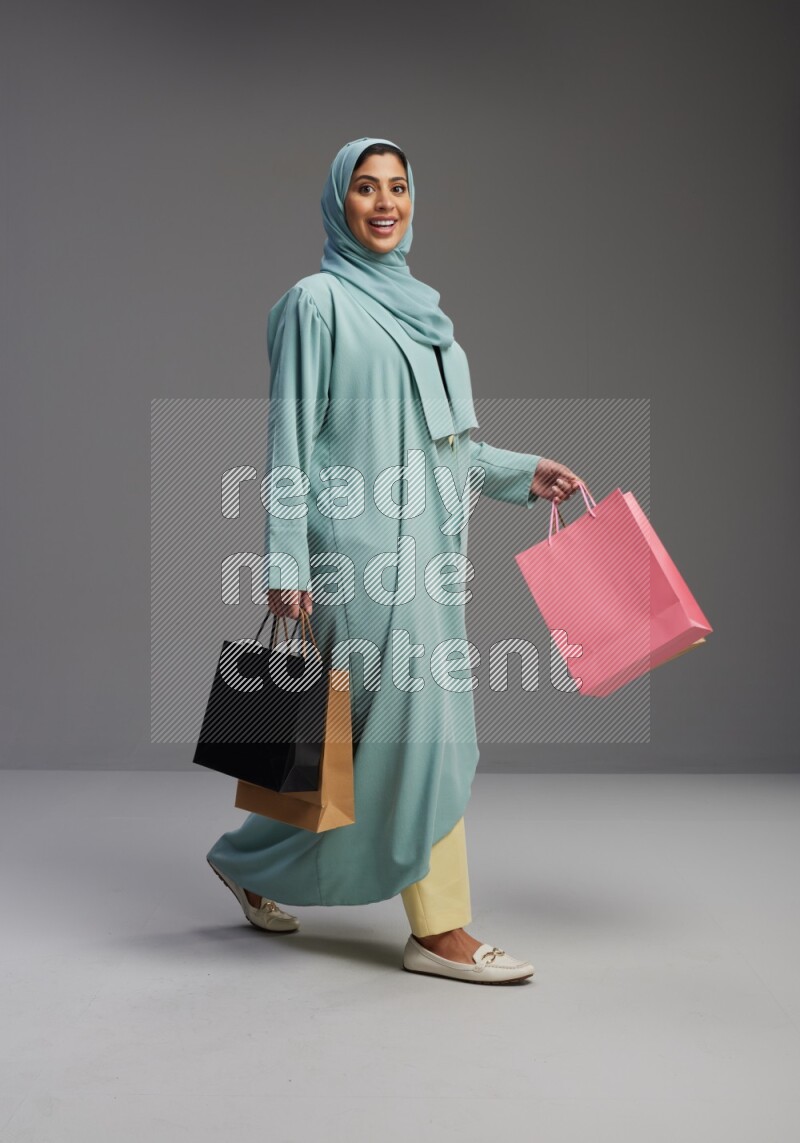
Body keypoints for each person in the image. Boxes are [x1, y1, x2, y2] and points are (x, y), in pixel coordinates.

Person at [206, 136, 581, 985]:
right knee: (419, 740)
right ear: (339, 202)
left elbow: (451, 449)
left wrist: (525, 475)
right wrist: (286, 560)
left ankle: (246, 858)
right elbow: (289, 442)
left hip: (434, 564)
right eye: (366, 188)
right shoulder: (317, 303)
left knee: (374, 746)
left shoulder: (427, 316)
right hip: (356, 560)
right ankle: (440, 927)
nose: (384, 203)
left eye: (399, 188)